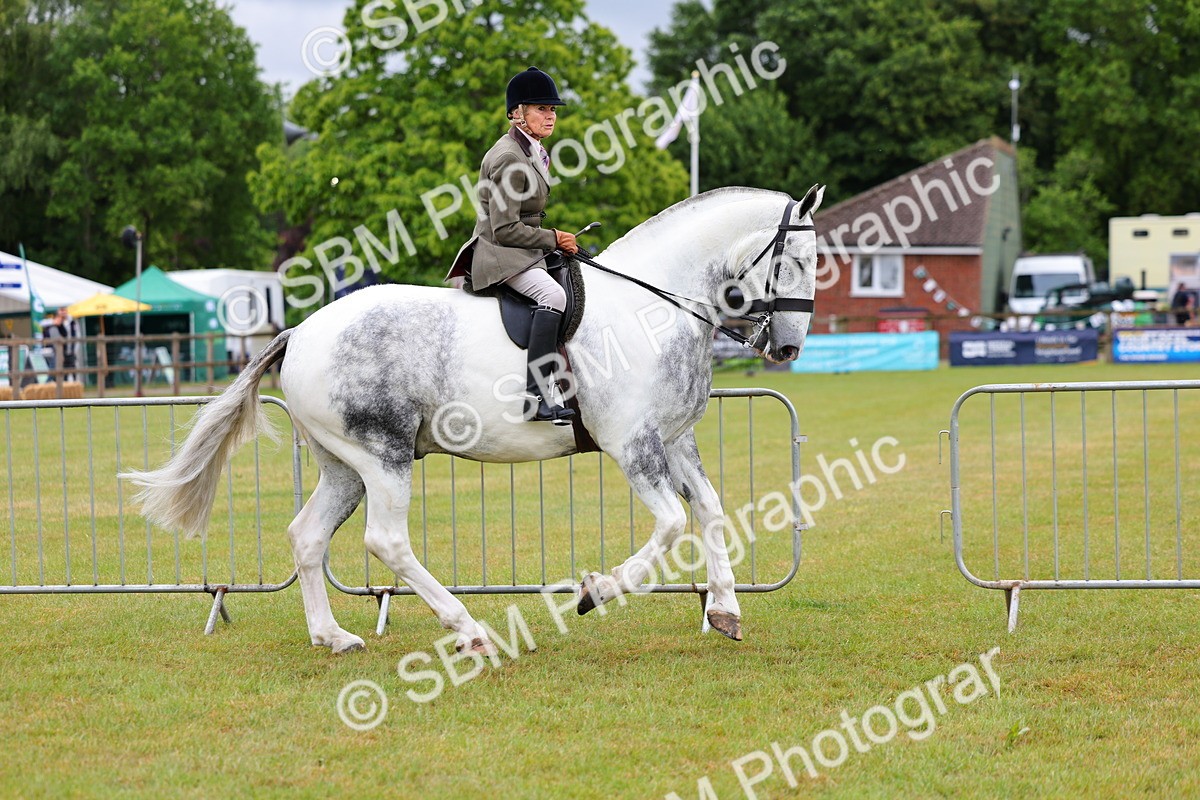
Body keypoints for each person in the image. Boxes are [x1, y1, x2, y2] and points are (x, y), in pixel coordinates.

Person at [448, 66, 578, 424]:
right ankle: (535, 396)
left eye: (552, 110)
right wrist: (553, 238)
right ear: (517, 113)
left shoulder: (530, 150)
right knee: (554, 297)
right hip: (501, 255)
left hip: (524, 250)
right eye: (541, 109)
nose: (550, 116)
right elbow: (505, 229)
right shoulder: (508, 157)